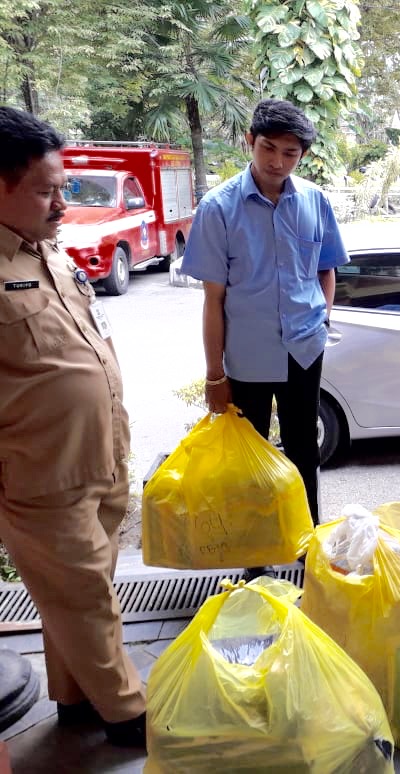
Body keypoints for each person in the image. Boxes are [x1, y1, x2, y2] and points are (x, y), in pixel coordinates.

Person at [0, 106, 146, 746]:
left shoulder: (49, 254)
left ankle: (77, 696)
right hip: (40, 471)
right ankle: (128, 715)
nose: (62, 203)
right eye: (45, 189)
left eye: (63, 187)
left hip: (99, 458)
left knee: (83, 588)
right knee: (85, 593)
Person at [182, 99, 347, 577]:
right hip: (248, 355)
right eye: (268, 148)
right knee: (251, 459)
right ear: (249, 142)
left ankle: (306, 542)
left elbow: (326, 269)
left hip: (304, 348)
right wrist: (215, 375)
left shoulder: (315, 200)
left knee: (303, 449)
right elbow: (213, 300)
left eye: (290, 153)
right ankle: (255, 559)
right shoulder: (218, 208)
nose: (277, 162)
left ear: (302, 155)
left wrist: (322, 319)